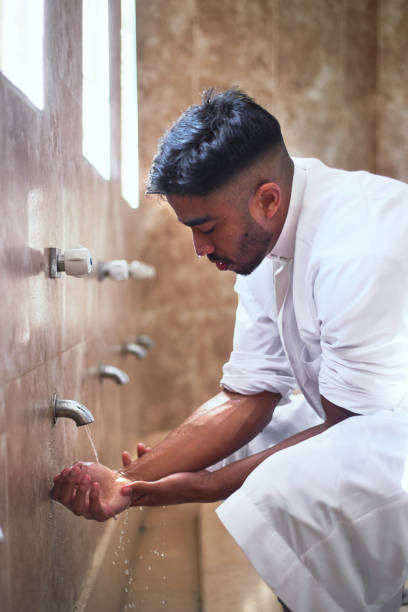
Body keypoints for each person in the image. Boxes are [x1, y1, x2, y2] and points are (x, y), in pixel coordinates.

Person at [51, 89, 408, 612]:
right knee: (266, 441)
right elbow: (249, 395)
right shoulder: (268, 244)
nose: (201, 250)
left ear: (267, 199)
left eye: (206, 228)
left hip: (380, 430)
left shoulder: (358, 243)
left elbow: (347, 429)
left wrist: (204, 485)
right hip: (376, 423)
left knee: (293, 485)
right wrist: (126, 484)